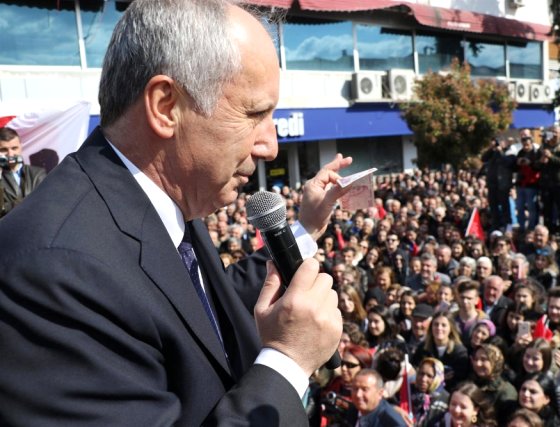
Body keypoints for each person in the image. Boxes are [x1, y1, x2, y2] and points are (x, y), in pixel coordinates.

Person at [0, 1, 353, 425]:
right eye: (254, 113)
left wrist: (305, 229)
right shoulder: (53, 272)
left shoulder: (169, 202)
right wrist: (287, 362)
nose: (270, 146)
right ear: (166, 106)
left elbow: (195, 310)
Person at [411, 312, 469, 392]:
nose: (439, 328)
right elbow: (415, 369)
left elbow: (460, 379)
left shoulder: (459, 352)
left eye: (443, 325)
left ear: (451, 328)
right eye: (436, 324)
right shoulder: (423, 348)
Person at [0, 126, 47, 216]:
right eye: (4, 150)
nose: (10, 154)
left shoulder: (37, 173)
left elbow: (43, 201)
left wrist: (10, 205)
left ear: (20, 147)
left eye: (14, 148)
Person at [433, 381, 498, 427]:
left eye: (463, 407)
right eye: (453, 404)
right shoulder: (439, 422)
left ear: (475, 410)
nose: (456, 410)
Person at [413, 357, 450, 427]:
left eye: (429, 376)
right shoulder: (409, 392)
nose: (423, 379)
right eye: (421, 373)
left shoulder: (446, 399)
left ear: (438, 377)